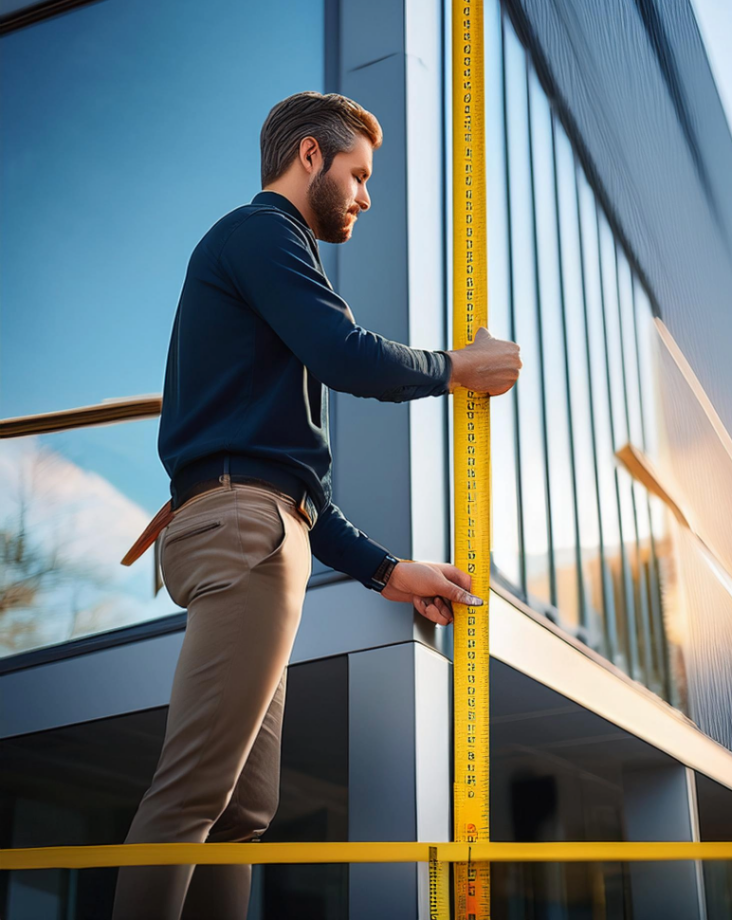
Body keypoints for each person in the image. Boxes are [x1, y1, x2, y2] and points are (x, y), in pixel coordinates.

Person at [112, 91, 521, 919]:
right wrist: (455, 367)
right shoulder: (264, 233)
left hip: (260, 523)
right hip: (246, 530)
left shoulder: (258, 270)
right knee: (195, 795)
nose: (367, 195)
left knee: (240, 813)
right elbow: (348, 355)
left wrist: (388, 572)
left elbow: (297, 486)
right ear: (309, 156)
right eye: (358, 174)